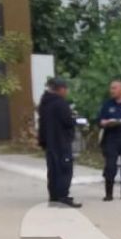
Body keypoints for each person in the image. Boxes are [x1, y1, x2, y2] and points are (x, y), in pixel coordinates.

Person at [37, 77, 82, 208]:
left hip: (49, 142)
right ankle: (63, 197)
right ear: (61, 89)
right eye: (65, 88)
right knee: (64, 169)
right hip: (61, 141)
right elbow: (67, 121)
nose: (66, 91)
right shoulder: (60, 103)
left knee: (53, 170)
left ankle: (54, 197)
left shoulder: (45, 102)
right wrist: (75, 119)